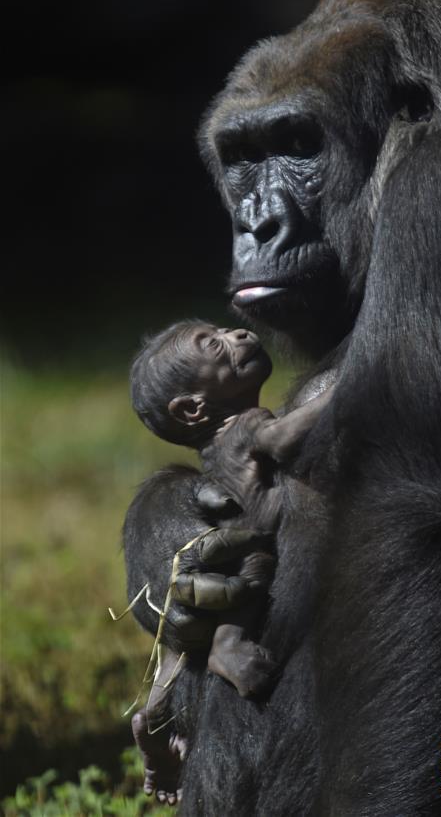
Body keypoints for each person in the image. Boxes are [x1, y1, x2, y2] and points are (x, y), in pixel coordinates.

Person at [128, 318, 332, 803]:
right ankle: (201, 675)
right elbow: (281, 443)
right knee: (243, 585)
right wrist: (159, 516)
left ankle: (152, 718)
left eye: (223, 332)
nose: (237, 335)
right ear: (193, 408)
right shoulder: (249, 425)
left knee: (185, 646)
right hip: (257, 537)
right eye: (212, 344)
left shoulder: (231, 430)